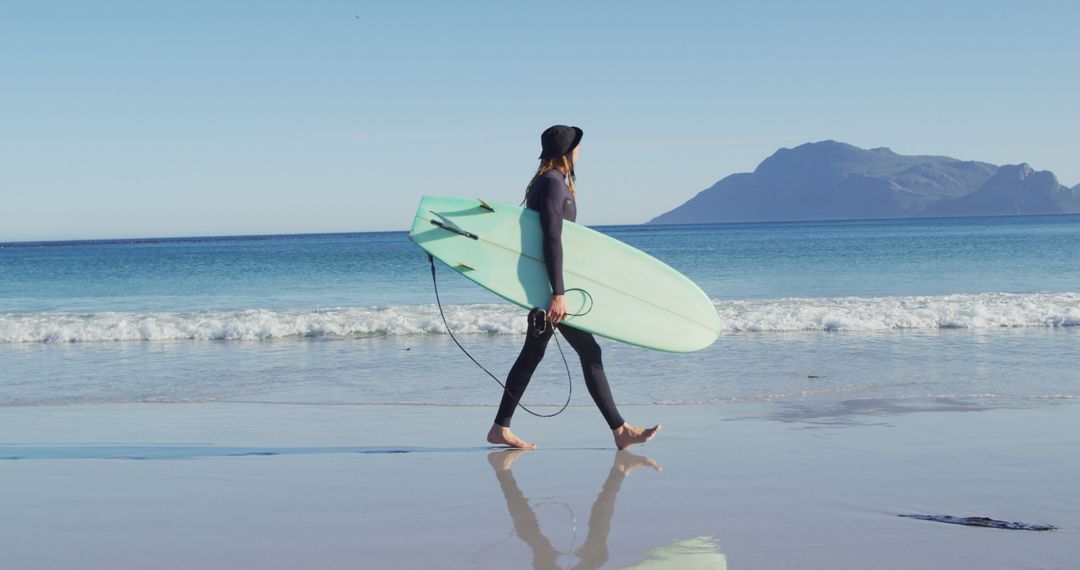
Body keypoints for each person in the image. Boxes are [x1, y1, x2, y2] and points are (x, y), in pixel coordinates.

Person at [486, 125, 661, 450]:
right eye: (578, 147)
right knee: (586, 352)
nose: (581, 152)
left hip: (545, 285)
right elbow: (552, 239)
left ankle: (501, 427)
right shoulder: (552, 184)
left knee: (534, 354)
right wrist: (558, 293)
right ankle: (620, 431)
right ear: (568, 151)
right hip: (548, 289)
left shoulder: (549, 182)